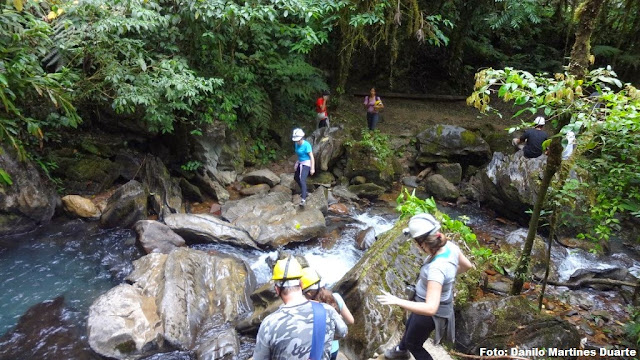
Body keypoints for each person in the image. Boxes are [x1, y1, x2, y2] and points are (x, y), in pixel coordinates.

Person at [377, 213, 474, 360]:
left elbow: (430, 308)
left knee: (414, 344)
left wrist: (396, 300)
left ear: (423, 244)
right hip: (429, 303)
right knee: (410, 325)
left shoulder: (437, 269)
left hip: (430, 314)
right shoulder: (450, 247)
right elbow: (467, 266)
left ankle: (405, 349)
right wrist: (445, 281)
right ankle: (401, 350)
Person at [253, 257, 348, 360]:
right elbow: (342, 332)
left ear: (277, 290)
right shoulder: (327, 310)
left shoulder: (269, 324)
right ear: (301, 284)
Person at [300, 267, 355, 360]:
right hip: (333, 348)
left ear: (309, 293)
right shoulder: (336, 297)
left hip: (314, 351)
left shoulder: (307, 307)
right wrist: (339, 319)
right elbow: (351, 320)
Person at [292, 128, 315, 206]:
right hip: (300, 162)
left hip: (306, 163)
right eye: (296, 141)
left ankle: (303, 199)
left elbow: (311, 157)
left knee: (302, 180)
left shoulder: (306, 145)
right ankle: (305, 191)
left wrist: (312, 168)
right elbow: (298, 154)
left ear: (302, 138)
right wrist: (297, 163)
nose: (297, 142)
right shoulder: (296, 144)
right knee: (296, 177)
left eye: (298, 140)